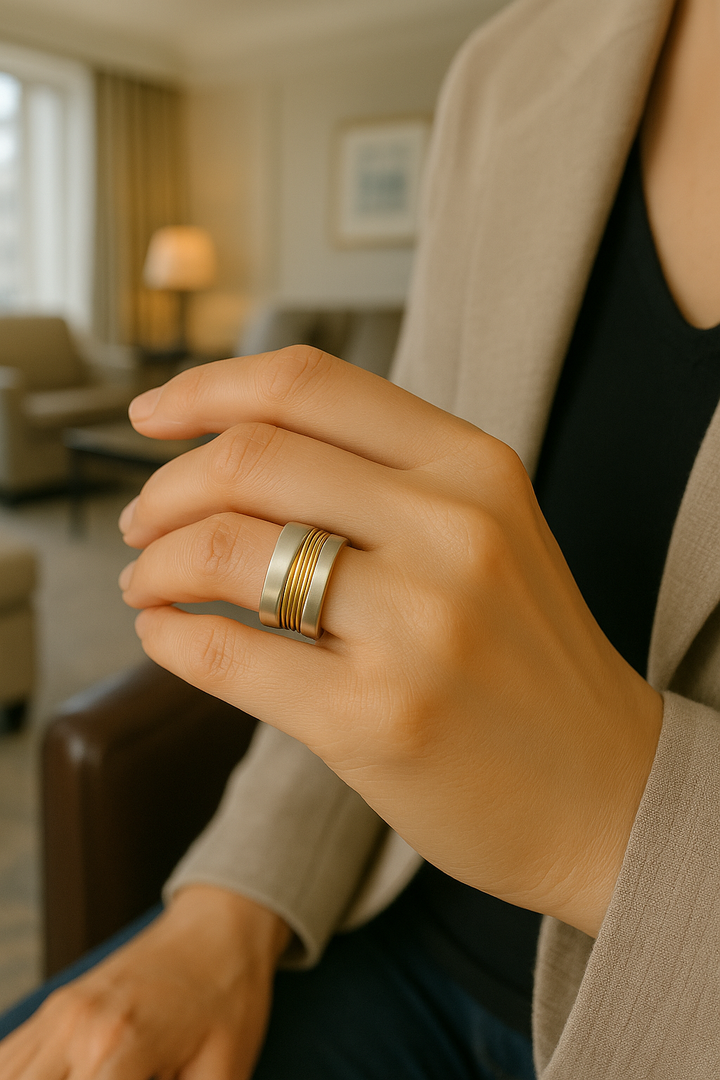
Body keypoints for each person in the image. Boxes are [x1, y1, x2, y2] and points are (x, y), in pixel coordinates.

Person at [1, 0, 719, 1075]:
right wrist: (229, 907)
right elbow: (375, 597)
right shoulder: (509, 66)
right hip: (382, 926)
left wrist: (622, 819)